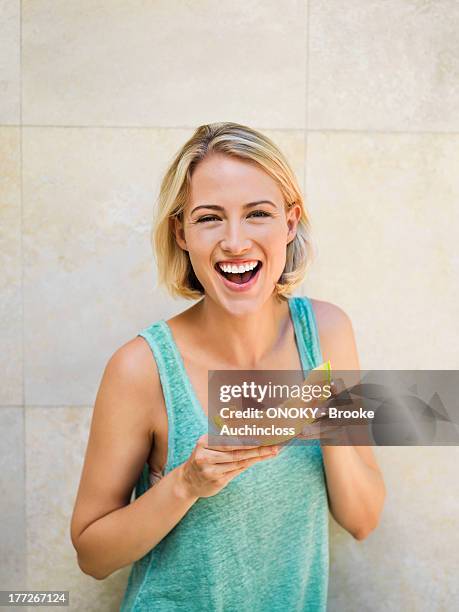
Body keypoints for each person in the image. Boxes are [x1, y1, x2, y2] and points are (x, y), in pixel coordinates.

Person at [70, 122, 386, 611]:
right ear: (182, 233)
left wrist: (331, 419)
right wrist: (186, 483)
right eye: (209, 218)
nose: (235, 242)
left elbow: (363, 520)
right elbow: (92, 555)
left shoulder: (328, 334)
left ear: (289, 222)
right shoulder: (140, 368)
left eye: (257, 213)